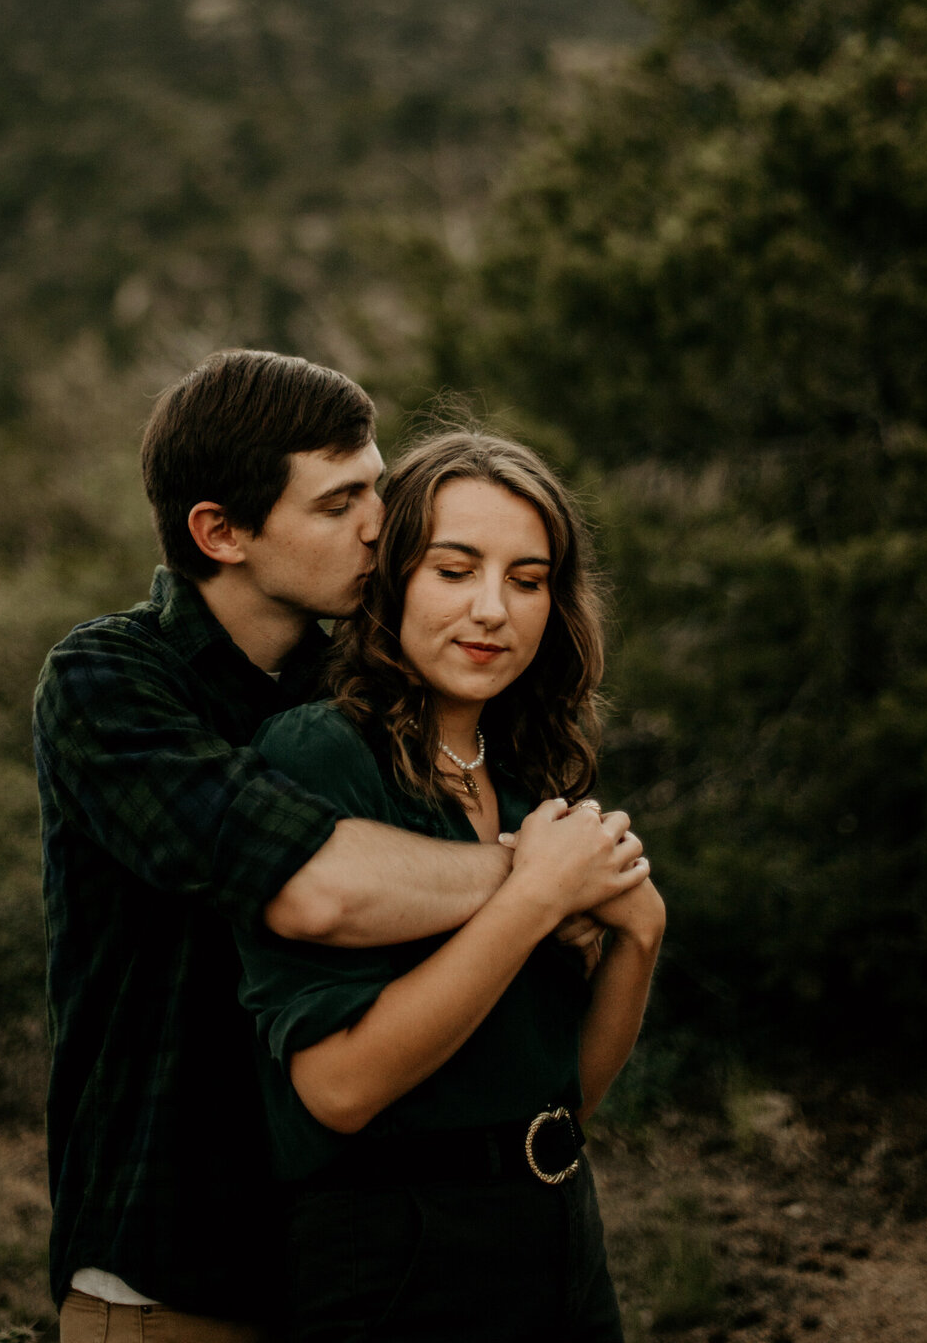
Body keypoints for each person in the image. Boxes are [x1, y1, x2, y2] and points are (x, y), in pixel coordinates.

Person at [34, 353, 606, 1342]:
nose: (381, 523)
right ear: (221, 532)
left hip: (352, 1256)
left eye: (378, 486)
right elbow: (314, 890)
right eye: (340, 502)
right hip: (177, 1269)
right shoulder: (112, 681)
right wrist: (546, 877)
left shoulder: (349, 694)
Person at [235, 429, 666, 1342]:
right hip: (394, 1259)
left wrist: (642, 930)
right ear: (390, 579)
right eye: (454, 569)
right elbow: (339, 1088)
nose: (492, 611)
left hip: (557, 1235)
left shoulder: (526, 772)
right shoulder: (320, 755)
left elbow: (564, 1095)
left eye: (527, 578)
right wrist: (535, 898)